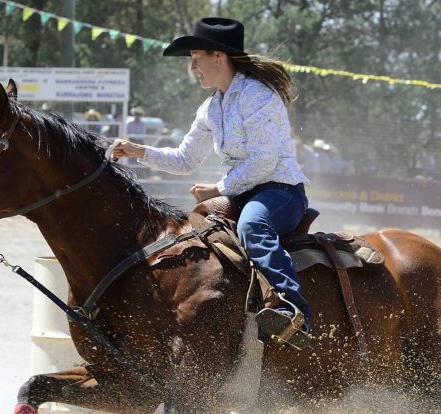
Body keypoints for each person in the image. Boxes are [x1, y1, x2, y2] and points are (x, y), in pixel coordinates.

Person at [110, 17, 311, 347]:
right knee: (193, 232)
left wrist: (219, 188)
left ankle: (291, 311)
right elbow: (185, 159)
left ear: (218, 56)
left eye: (195, 58)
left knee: (253, 226)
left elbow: (263, 162)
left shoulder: (258, 96)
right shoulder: (211, 108)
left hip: (280, 191)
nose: (192, 67)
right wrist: (139, 151)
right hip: (243, 192)